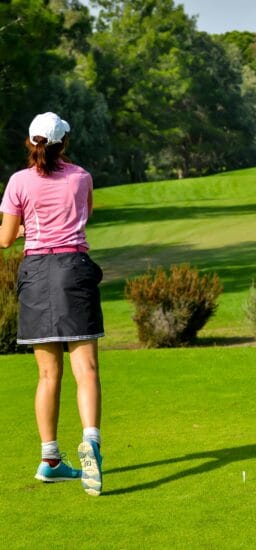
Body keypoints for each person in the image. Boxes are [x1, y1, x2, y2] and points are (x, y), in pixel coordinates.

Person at [0, 112, 104, 496]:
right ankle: (91, 444)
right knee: (87, 369)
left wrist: (25, 221)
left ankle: (51, 460)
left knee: (48, 375)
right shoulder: (81, 177)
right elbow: (82, 215)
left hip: (37, 274)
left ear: (30, 142)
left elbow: (5, 239)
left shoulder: (17, 182)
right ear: (65, 143)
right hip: (74, 270)